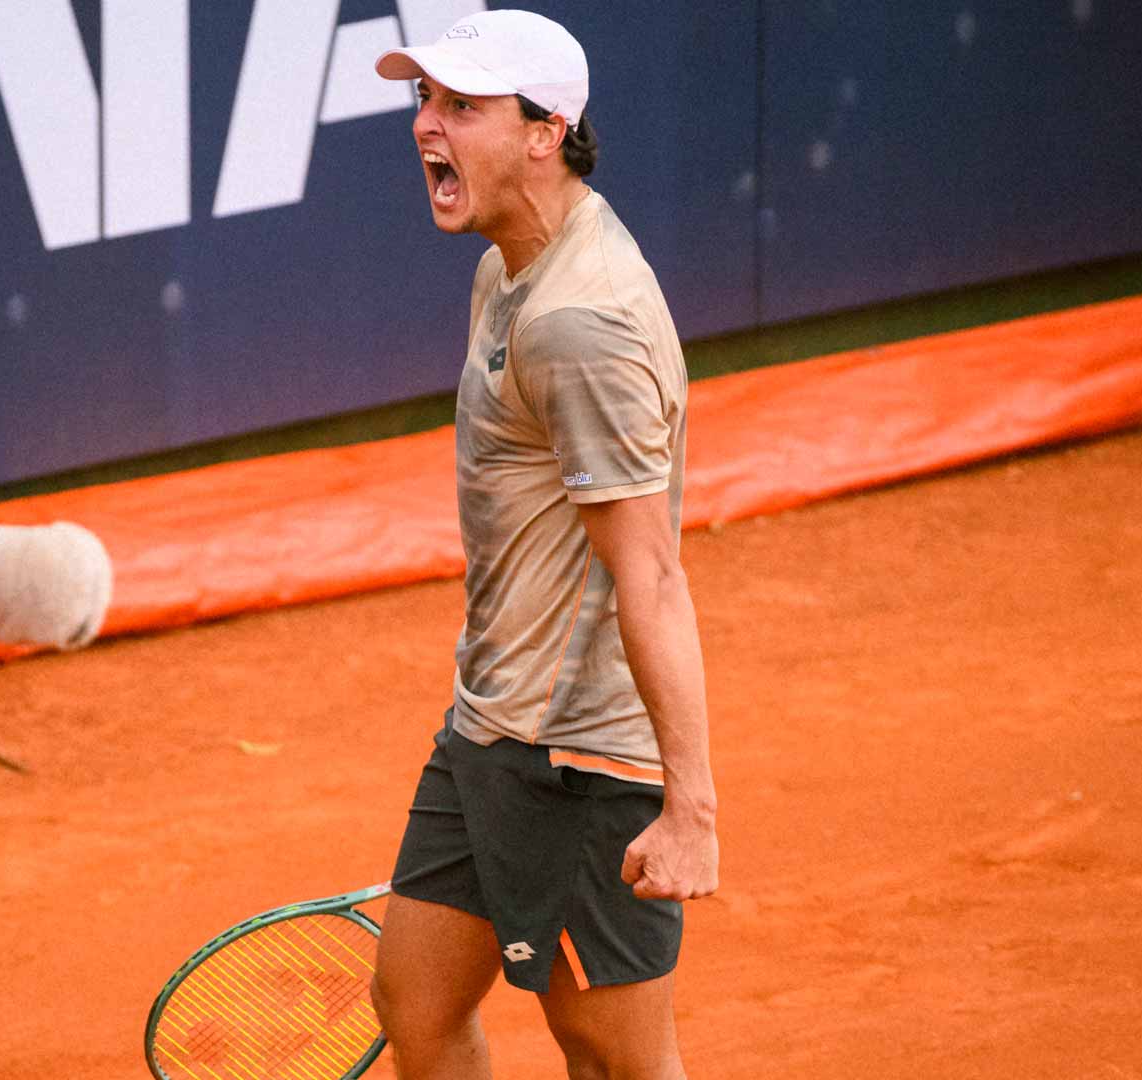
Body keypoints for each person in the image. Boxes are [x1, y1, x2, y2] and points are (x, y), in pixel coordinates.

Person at [368, 11, 719, 1079]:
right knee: (416, 1005)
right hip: (490, 724)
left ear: (544, 132)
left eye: (462, 107)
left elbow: (651, 572)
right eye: (425, 100)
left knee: (610, 1055)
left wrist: (689, 808)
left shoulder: (580, 321)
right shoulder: (509, 271)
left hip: (574, 759)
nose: (428, 125)